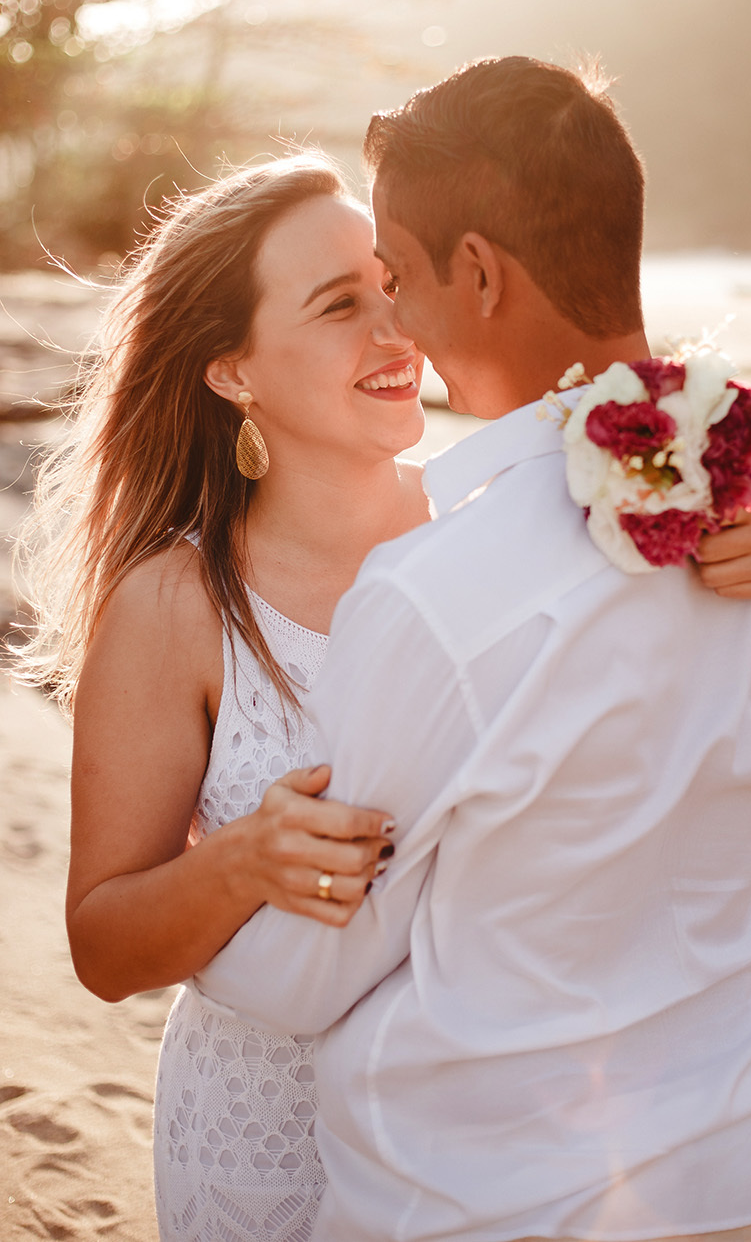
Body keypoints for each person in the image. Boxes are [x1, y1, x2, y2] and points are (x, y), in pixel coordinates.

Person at [195, 57, 751, 1242]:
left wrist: (207, 892)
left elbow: (314, 970)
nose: (395, 320)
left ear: (476, 272)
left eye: (398, 277)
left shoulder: (431, 597)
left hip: (472, 1205)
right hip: (735, 1192)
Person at [13, 155, 429, 1240]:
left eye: (395, 287)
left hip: (481, 1125)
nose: (395, 332)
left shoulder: (488, 530)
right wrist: (244, 859)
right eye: (343, 305)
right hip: (266, 1143)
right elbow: (105, 949)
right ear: (232, 370)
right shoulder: (175, 603)